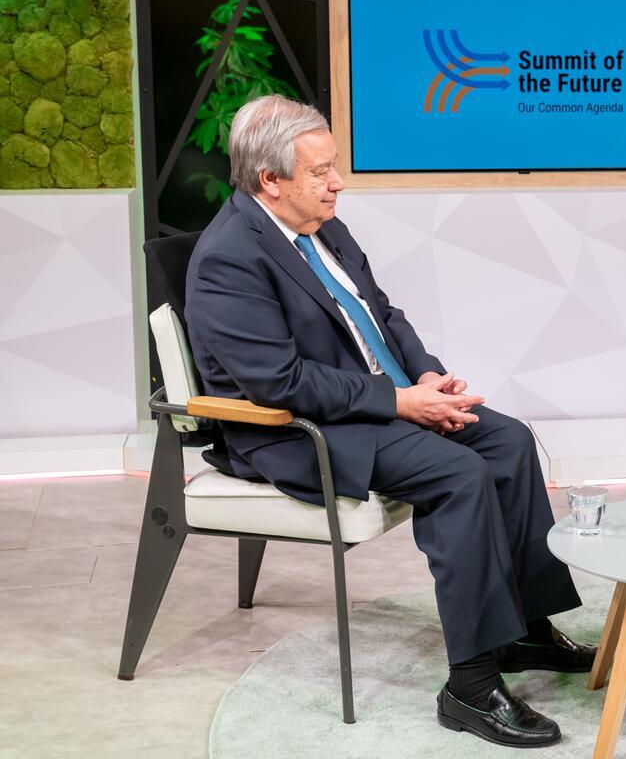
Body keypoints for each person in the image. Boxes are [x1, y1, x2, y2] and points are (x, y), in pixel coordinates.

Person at [185, 95, 591, 748]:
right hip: (298, 429)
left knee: (509, 441)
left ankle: (525, 630)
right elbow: (279, 382)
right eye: (320, 171)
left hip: (371, 401)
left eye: (334, 167)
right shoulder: (228, 258)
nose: (337, 182)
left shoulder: (321, 226)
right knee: (460, 474)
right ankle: (470, 686)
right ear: (270, 179)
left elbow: (382, 314)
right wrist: (399, 403)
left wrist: (424, 376)